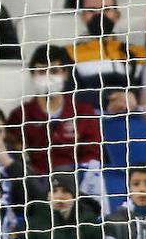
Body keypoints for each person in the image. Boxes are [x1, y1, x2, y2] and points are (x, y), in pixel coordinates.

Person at [7, 45, 101, 187]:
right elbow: (17, 157)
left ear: (65, 74)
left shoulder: (84, 112)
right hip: (35, 185)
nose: (48, 77)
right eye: (42, 71)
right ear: (32, 75)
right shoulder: (19, 116)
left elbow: (92, 155)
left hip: (75, 184)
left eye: (54, 71)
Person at [67, 0, 146, 105]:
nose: (99, 15)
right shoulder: (68, 53)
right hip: (92, 115)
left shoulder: (139, 53)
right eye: (91, 11)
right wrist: (109, 101)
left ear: (117, 15)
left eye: (106, 9)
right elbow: (67, 95)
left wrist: (133, 97)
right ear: (82, 17)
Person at [23, 171, 102, 239]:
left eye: (65, 191)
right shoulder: (32, 225)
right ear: (48, 196)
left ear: (74, 196)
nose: (59, 196)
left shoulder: (90, 222)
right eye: (54, 191)